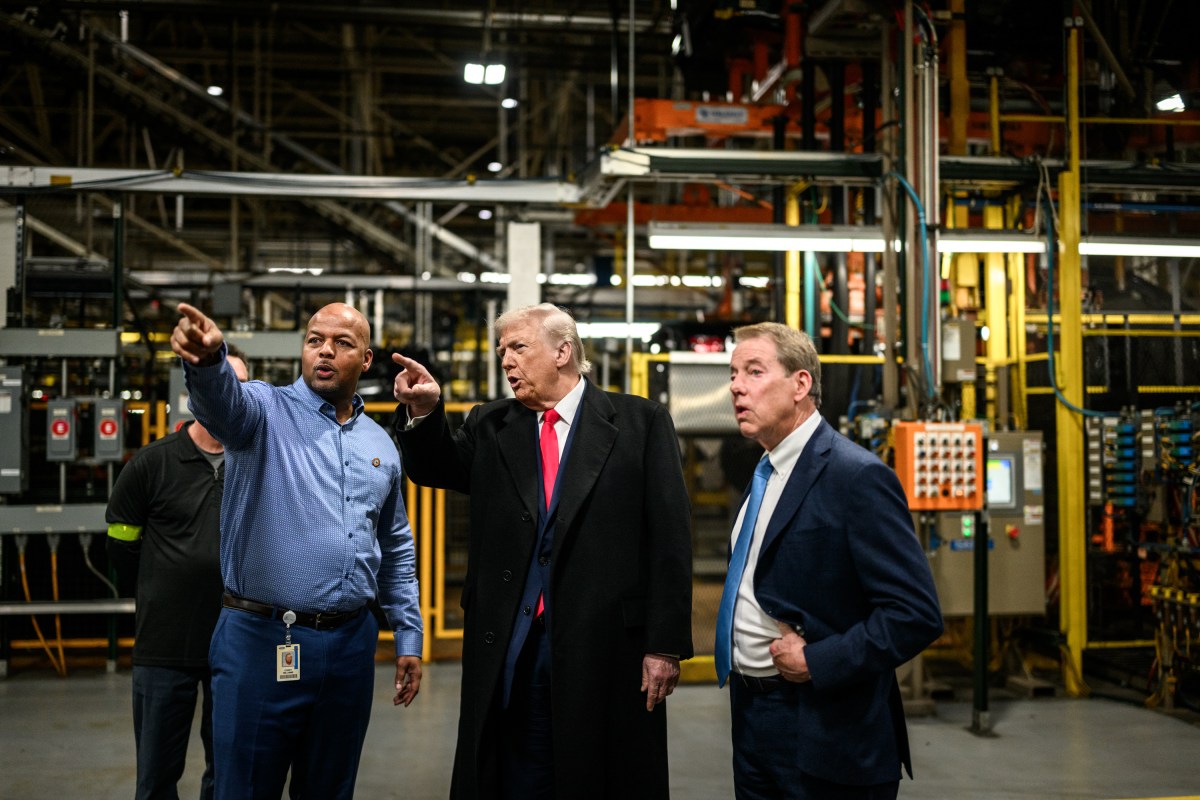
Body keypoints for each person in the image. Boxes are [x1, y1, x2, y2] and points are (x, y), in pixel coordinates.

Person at [392, 303, 693, 800]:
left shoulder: (640, 423)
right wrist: (424, 412)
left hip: (606, 646)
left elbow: (670, 538)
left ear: (563, 351)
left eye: (518, 348)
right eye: (501, 350)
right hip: (514, 641)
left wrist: (664, 644)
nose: (506, 361)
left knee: (600, 774)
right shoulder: (491, 425)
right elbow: (437, 468)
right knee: (519, 774)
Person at [169, 301, 423, 800]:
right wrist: (206, 362)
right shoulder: (262, 412)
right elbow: (221, 403)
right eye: (314, 339)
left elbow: (394, 545)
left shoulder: (380, 443)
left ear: (366, 359)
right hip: (261, 640)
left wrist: (408, 636)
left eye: (342, 343)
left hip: (350, 647)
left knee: (330, 789)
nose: (325, 350)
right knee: (242, 789)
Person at [717, 322, 943, 800]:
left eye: (754, 371)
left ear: (801, 384)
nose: (736, 385)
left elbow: (915, 614)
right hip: (752, 719)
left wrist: (818, 660)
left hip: (824, 724)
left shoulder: (855, 477)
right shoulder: (764, 472)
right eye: (733, 372)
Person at [106, 346, 249, 800]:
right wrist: (162, 594)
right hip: (164, 647)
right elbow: (121, 551)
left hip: (238, 643)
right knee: (155, 777)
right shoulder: (151, 464)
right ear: (197, 391)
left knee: (229, 774)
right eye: (222, 382)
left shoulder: (259, 465)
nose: (230, 394)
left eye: (240, 387)